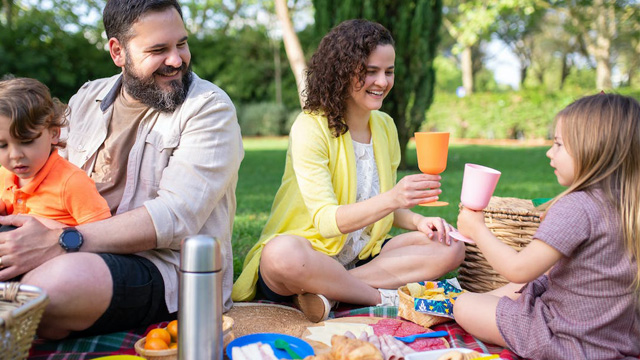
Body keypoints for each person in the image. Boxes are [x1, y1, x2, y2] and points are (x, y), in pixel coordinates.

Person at [0, 0, 243, 340]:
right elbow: (45, 169)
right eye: (158, 49)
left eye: (182, 44)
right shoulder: (88, 97)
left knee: (49, 288)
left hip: (164, 267)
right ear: (118, 51)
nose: (176, 60)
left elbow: (175, 217)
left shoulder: (209, 109)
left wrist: (62, 240)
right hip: (71, 244)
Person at [232, 19, 464, 322]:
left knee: (451, 246)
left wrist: (420, 221)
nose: (382, 81)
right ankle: (381, 297)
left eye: (388, 71)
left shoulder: (385, 126)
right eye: (370, 71)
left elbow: (377, 206)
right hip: (308, 255)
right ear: (341, 71)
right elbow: (328, 222)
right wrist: (395, 198)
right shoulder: (310, 127)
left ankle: (330, 293)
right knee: (281, 254)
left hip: (361, 257)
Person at [455, 93, 640, 359]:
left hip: (563, 341)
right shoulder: (629, 205)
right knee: (528, 287)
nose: (549, 152)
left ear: (592, 148)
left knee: (463, 304)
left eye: (558, 144)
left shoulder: (578, 206)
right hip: (617, 340)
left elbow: (518, 270)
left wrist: (476, 229)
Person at [0, 77, 111, 229]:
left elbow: (102, 234)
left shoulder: (72, 182)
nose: (15, 155)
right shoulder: (4, 176)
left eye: (26, 142)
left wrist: (53, 229)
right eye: (2, 145)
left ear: (53, 133)